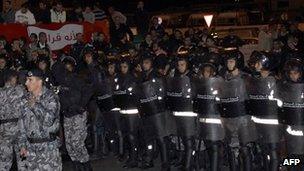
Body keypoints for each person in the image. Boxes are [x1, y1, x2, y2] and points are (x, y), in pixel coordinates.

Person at [219, 50, 257, 171]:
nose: (229, 64)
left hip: (244, 118)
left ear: (238, 62)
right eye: (227, 62)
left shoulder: (246, 78)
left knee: (245, 149)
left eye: (231, 61)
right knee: (231, 148)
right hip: (229, 118)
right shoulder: (224, 78)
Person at [18, 69, 62, 170]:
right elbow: (22, 124)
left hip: (48, 149)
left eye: (30, 80)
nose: (26, 83)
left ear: (39, 81)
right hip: (31, 150)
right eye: (26, 80)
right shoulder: (25, 99)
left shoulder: (51, 98)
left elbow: (48, 121)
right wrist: (22, 145)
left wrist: (35, 106)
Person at [246, 51, 280, 171]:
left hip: (272, 124)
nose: (255, 65)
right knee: (264, 151)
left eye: (258, 63)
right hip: (259, 123)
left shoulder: (275, 81)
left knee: (273, 152)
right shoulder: (256, 80)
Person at [58, 57, 93, 170]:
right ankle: (77, 165)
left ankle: (86, 166)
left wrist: (81, 106)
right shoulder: (61, 81)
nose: (67, 68)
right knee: (69, 144)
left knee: (77, 142)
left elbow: (89, 91)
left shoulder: (77, 79)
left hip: (78, 115)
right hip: (67, 116)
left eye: (69, 65)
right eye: (65, 66)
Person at [137, 54, 171, 170]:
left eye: (147, 62)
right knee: (149, 138)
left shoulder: (157, 75)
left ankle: (166, 163)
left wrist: (160, 106)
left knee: (162, 138)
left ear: (151, 63)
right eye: (143, 63)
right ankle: (149, 159)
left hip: (157, 111)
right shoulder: (141, 76)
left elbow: (162, 92)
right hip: (146, 110)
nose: (144, 65)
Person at [193, 59, 225, 171]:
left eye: (208, 71)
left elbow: (222, 100)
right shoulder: (201, 83)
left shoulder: (218, 82)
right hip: (203, 118)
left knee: (215, 145)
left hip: (215, 118)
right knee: (207, 145)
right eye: (204, 71)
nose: (205, 73)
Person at [166, 55, 197, 170]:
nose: (180, 67)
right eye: (178, 65)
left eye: (182, 64)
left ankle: (188, 166)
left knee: (189, 141)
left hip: (189, 113)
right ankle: (184, 161)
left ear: (187, 65)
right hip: (179, 112)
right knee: (182, 139)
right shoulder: (177, 77)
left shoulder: (192, 77)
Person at [278, 58, 304, 170]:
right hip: (290, 127)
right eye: (291, 73)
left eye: (296, 73)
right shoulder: (284, 87)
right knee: (291, 155)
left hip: (301, 126)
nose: (293, 76)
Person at [114, 59, 140, 168]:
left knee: (132, 136)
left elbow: (134, 94)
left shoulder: (132, 78)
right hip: (123, 111)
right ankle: (130, 155)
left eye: (125, 66)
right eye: (122, 66)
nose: (123, 69)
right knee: (126, 135)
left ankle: (134, 159)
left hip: (131, 111)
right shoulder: (119, 78)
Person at [0, 70, 25, 171]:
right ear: (12, 78)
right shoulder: (20, 90)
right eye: (16, 78)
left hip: (4, 130)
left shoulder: (0, 92)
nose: (17, 80)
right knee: (22, 159)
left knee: (4, 160)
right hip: (19, 127)